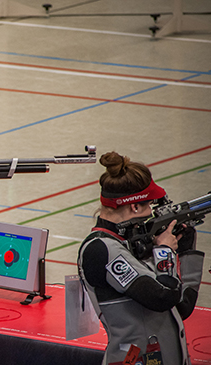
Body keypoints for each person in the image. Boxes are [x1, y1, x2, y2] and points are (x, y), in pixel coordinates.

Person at [77, 151, 204, 365]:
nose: (150, 213)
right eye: (148, 206)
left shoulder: (130, 245)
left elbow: (181, 306)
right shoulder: (101, 249)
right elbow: (162, 298)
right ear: (134, 206)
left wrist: (185, 251)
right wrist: (165, 252)